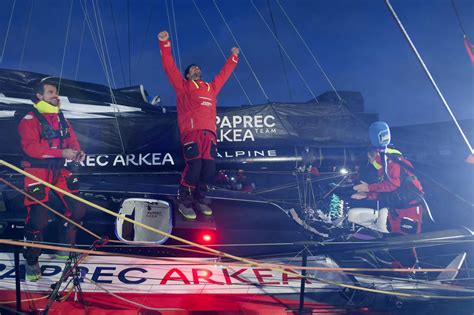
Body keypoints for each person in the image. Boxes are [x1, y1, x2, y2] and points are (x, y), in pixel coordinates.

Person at [158, 30, 239, 220]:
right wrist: (164, 43)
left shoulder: (211, 88)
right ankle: (184, 200)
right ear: (187, 74)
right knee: (194, 166)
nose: (196, 70)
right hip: (192, 133)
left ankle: (200, 198)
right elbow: (169, 67)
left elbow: (224, 75)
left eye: (198, 68)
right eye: (192, 69)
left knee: (209, 169)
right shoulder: (183, 87)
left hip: (209, 134)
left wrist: (233, 58)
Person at [18, 79, 86, 281]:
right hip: (37, 172)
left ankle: (63, 248)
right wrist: (61, 152)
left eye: (56, 92)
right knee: (39, 218)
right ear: (39, 96)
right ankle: (31, 260)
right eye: (50, 92)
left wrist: (77, 152)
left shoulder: (62, 118)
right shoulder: (29, 119)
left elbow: (72, 141)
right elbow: (31, 149)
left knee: (78, 209)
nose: (55, 95)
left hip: (59, 171)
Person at [351, 121, 425, 268]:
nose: (370, 162)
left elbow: (394, 185)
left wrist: (368, 187)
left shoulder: (392, 161)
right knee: (394, 240)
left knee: (405, 242)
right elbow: (388, 192)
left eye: (370, 159)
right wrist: (367, 194)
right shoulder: (385, 164)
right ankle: (399, 269)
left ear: (374, 154)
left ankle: (410, 272)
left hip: (408, 208)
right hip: (397, 208)